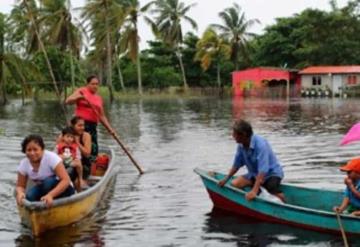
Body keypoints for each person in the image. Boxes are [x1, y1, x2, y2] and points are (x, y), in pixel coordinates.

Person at [218, 119, 285, 202]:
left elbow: (263, 170)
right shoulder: (241, 145)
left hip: (271, 174)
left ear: (243, 135)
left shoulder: (261, 145)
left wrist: (254, 191)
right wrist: (226, 179)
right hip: (254, 174)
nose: (233, 136)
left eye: (234, 134)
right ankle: (259, 192)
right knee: (234, 184)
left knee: (271, 188)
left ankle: (284, 202)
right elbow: (236, 165)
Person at [16, 135, 74, 207]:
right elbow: (20, 185)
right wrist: (20, 193)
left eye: (35, 149)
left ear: (42, 149)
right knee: (29, 197)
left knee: (48, 182)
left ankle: (51, 200)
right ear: (25, 151)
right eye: (29, 150)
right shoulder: (24, 164)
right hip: (44, 190)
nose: (32, 153)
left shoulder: (51, 158)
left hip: (65, 189)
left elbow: (66, 180)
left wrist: (50, 195)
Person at [65, 75, 115, 159]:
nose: (95, 86)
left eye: (97, 84)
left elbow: (102, 116)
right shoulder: (82, 91)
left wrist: (110, 129)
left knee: (93, 148)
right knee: (77, 144)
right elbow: (68, 101)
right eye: (93, 84)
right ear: (87, 84)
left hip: (92, 126)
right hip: (80, 125)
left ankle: (92, 165)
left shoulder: (98, 98)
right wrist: (79, 97)